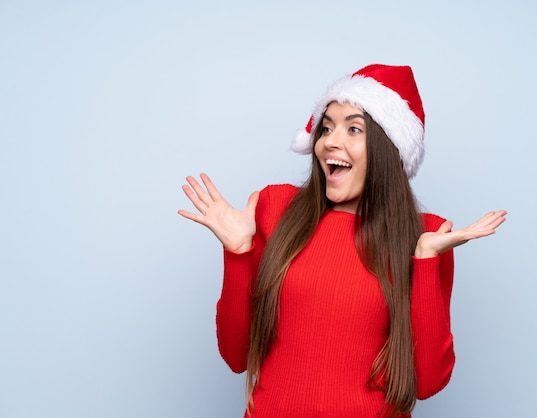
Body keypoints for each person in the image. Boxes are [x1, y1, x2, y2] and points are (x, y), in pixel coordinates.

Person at [178, 64, 507, 418]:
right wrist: (238, 254)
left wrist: (425, 261)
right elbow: (236, 356)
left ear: (388, 148)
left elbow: (427, 384)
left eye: (353, 129)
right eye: (327, 127)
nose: (331, 141)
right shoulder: (276, 210)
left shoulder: (426, 236)